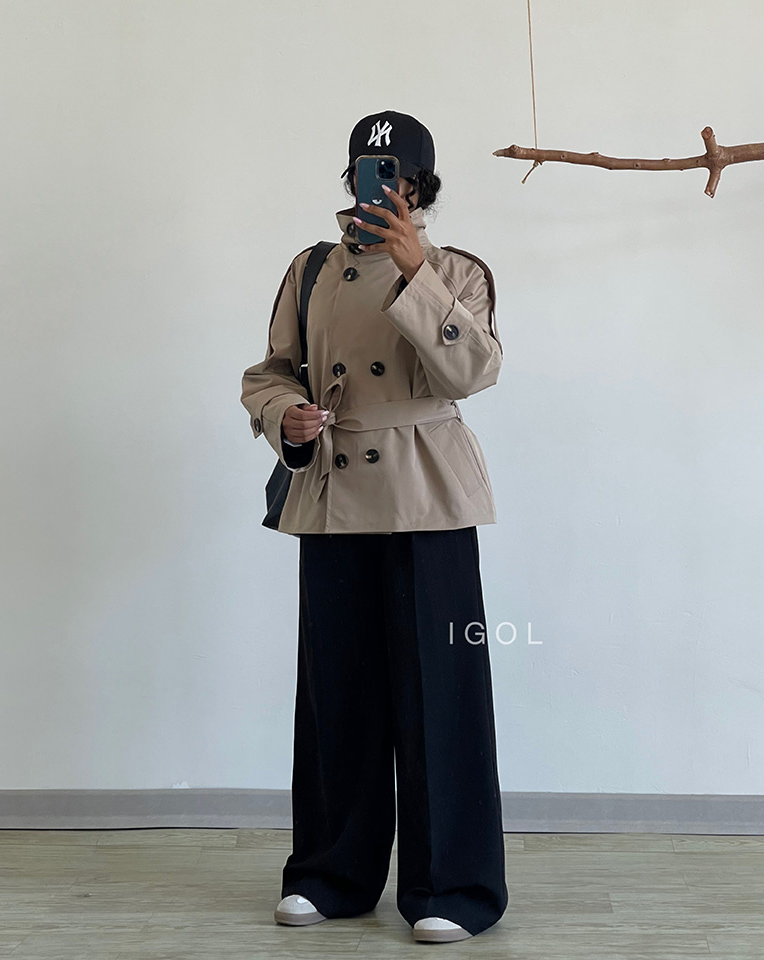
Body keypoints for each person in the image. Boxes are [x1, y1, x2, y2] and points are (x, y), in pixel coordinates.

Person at [240, 110, 509, 943]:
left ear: (421, 187)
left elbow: (473, 371)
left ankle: (453, 887)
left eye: (398, 175)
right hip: (334, 491)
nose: (382, 186)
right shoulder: (311, 269)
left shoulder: (457, 271)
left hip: (428, 496)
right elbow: (269, 372)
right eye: (367, 169)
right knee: (337, 695)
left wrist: (415, 271)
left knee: (442, 696)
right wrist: (285, 417)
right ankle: (331, 874)